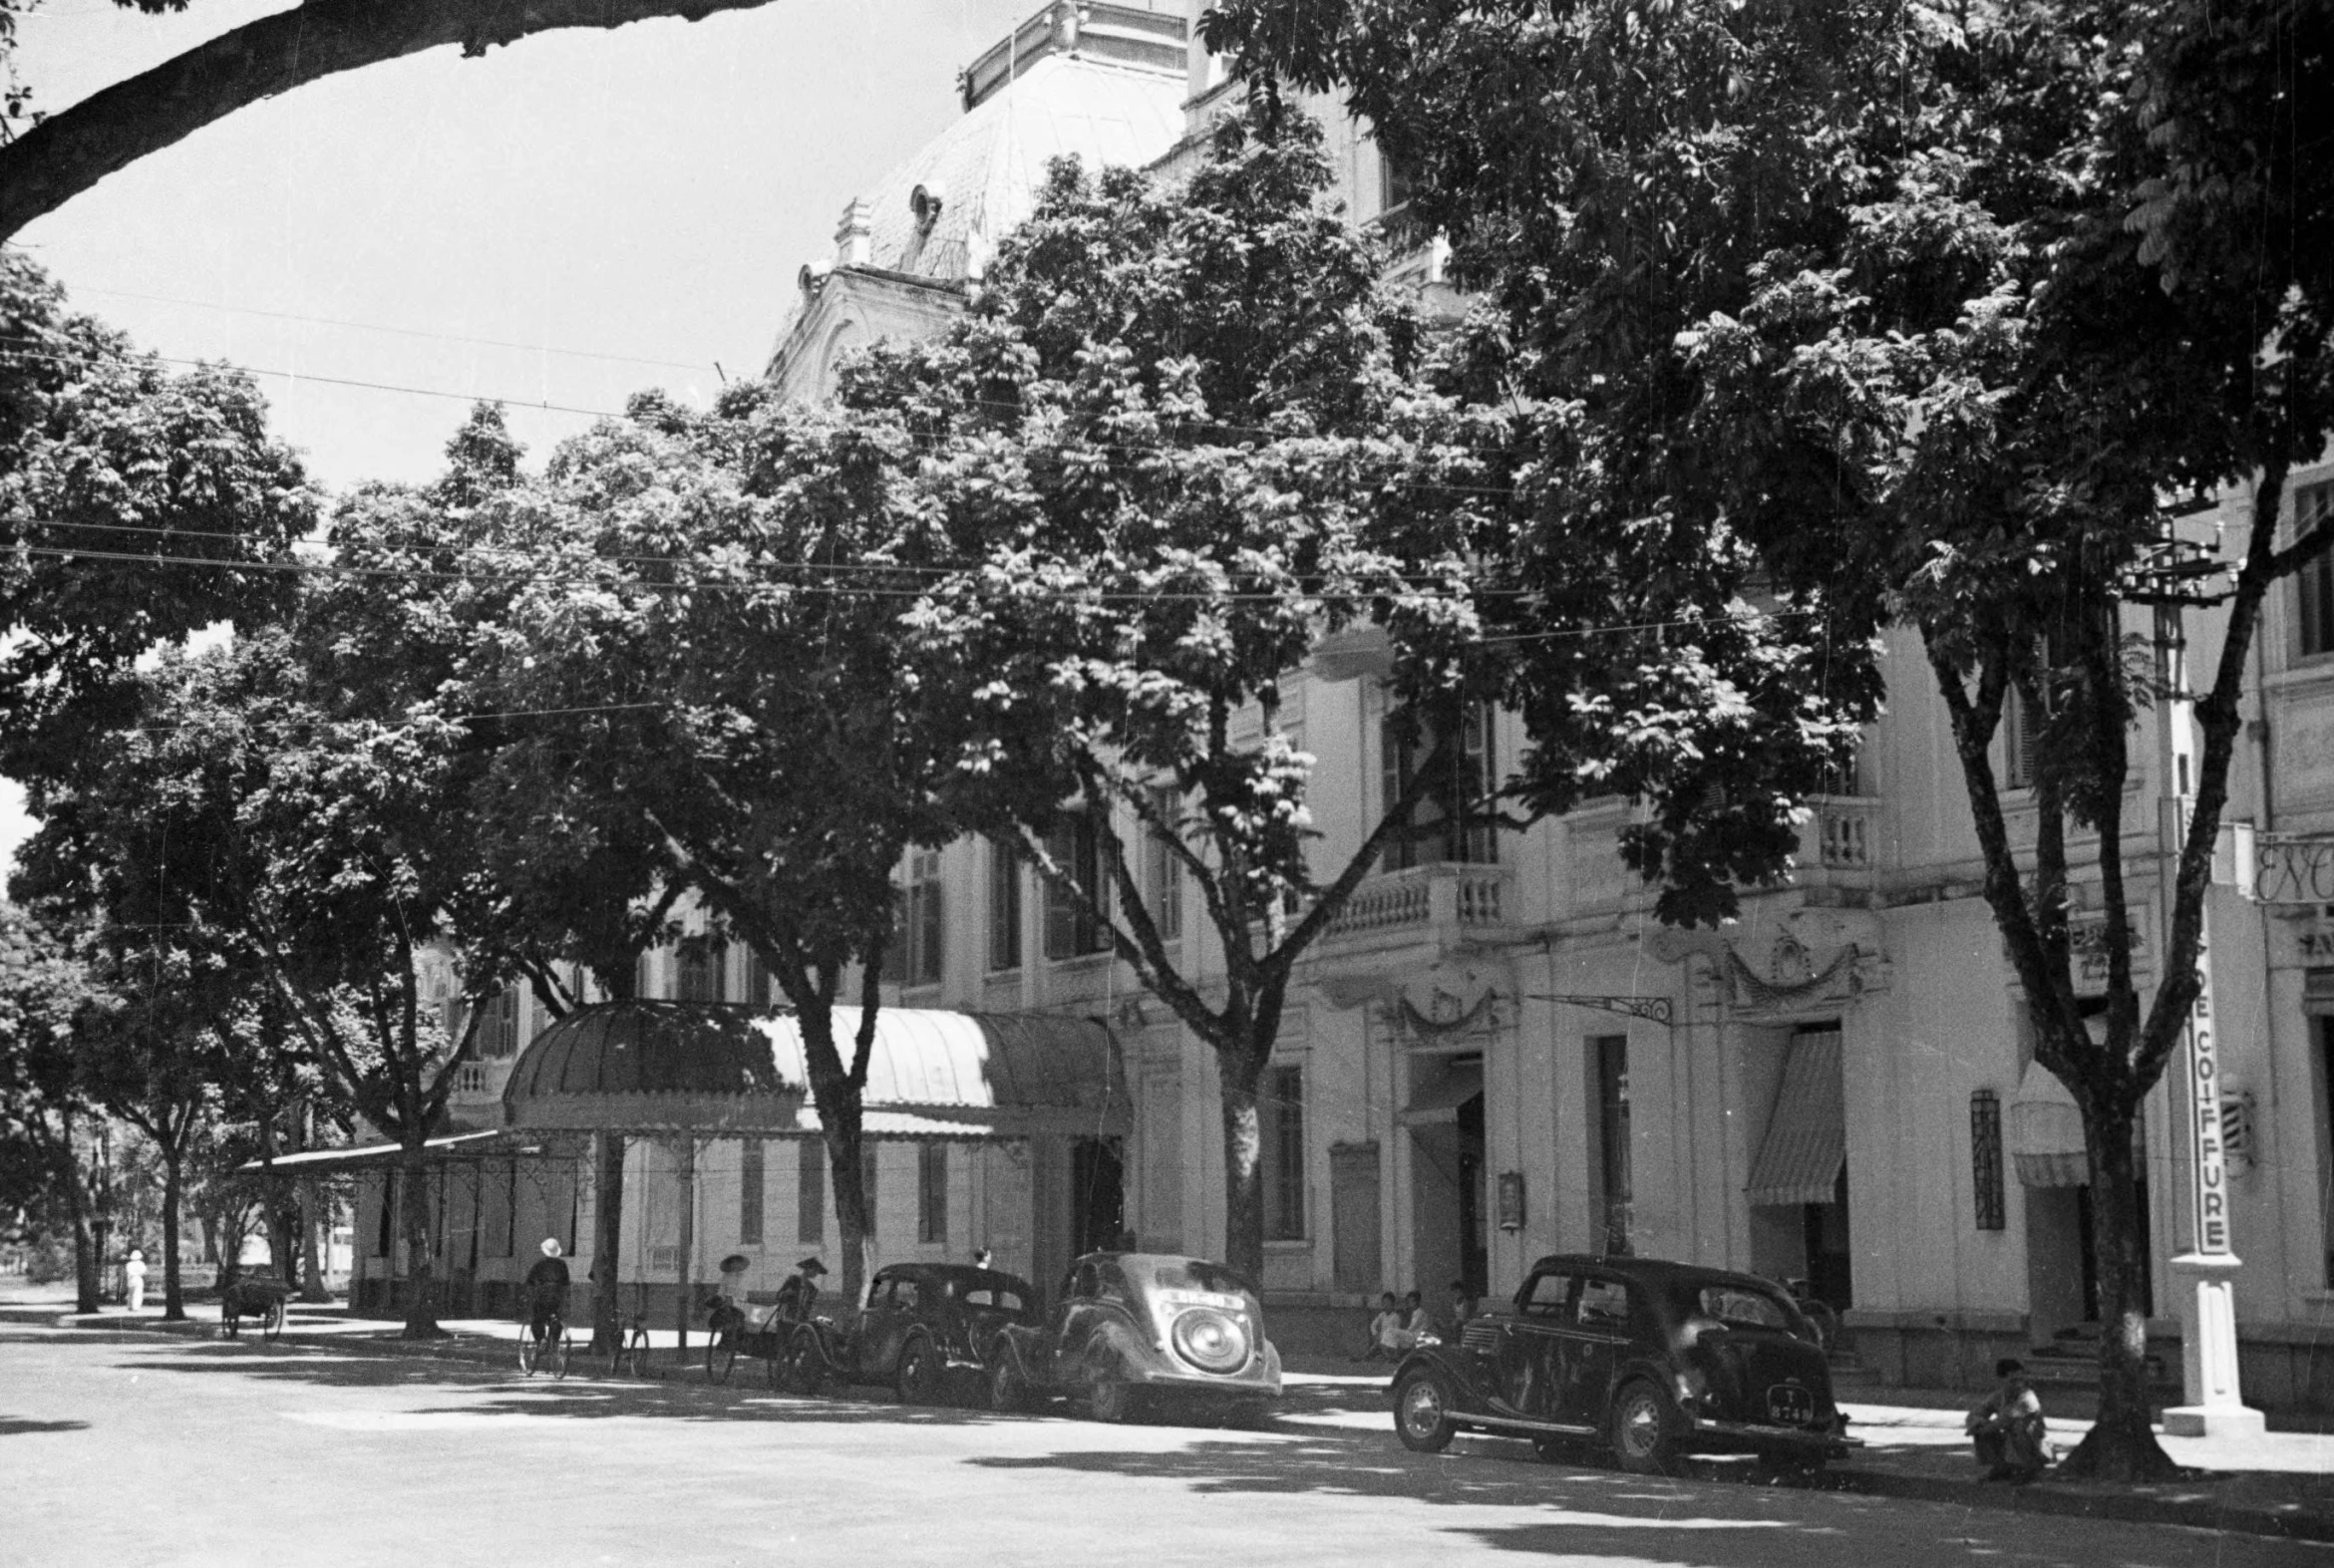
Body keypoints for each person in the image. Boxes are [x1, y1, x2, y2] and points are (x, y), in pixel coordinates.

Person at [1966, 1358, 2052, 1482]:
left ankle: (2030, 1469)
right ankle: (2001, 1467)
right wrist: (1977, 1423)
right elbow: (1974, 1414)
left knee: (2019, 1426)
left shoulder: (2027, 1397)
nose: (2019, 1384)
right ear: (2000, 1380)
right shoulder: (1997, 1396)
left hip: (2037, 1448)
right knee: (1980, 1426)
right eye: (2013, 1381)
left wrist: (1981, 1427)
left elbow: (2004, 1419)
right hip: (2012, 1446)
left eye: (2021, 1380)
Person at [522, 1238, 570, 1348]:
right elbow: (566, 1283)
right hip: (557, 1298)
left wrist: (528, 1295)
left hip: (542, 1298)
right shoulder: (562, 1264)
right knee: (556, 1319)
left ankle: (541, 1339)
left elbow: (530, 1281)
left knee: (537, 1320)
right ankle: (554, 1341)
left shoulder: (540, 1264)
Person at [1354, 1292, 1405, 1362]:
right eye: (1384, 1303)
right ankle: (1366, 1357)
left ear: (1393, 1304)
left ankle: (1367, 1357)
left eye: (1388, 1303)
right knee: (1377, 1345)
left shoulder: (1396, 1317)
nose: (1386, 1305)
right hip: (1381, 1341)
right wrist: (1375, 1334)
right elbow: (1373, 1325)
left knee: (1379, 1346)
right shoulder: (1382, 1315)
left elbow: (1396, 1333)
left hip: (1390, 1343)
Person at [775, 1255, 826, 1323]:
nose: (816, 1273)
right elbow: (778, 1296)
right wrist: (785, 1294)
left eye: (817, 1271)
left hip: (800, 1322)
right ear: (807, 1268)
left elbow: (808, 1308)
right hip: (785, 1320)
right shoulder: (793, 1280)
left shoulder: (812, 1289)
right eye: (814, 1270)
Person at [124, 1249, 147, 1313]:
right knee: (138, 1293)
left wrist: (133, 1274)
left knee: (130, 1294)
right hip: (138, 1279)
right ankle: (136, 1307)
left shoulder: (129, 1264)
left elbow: (128, 1271)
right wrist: (137, 1274)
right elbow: (143, 1272)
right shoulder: (141, 1264)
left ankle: (130, 1306)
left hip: (131, 1279)